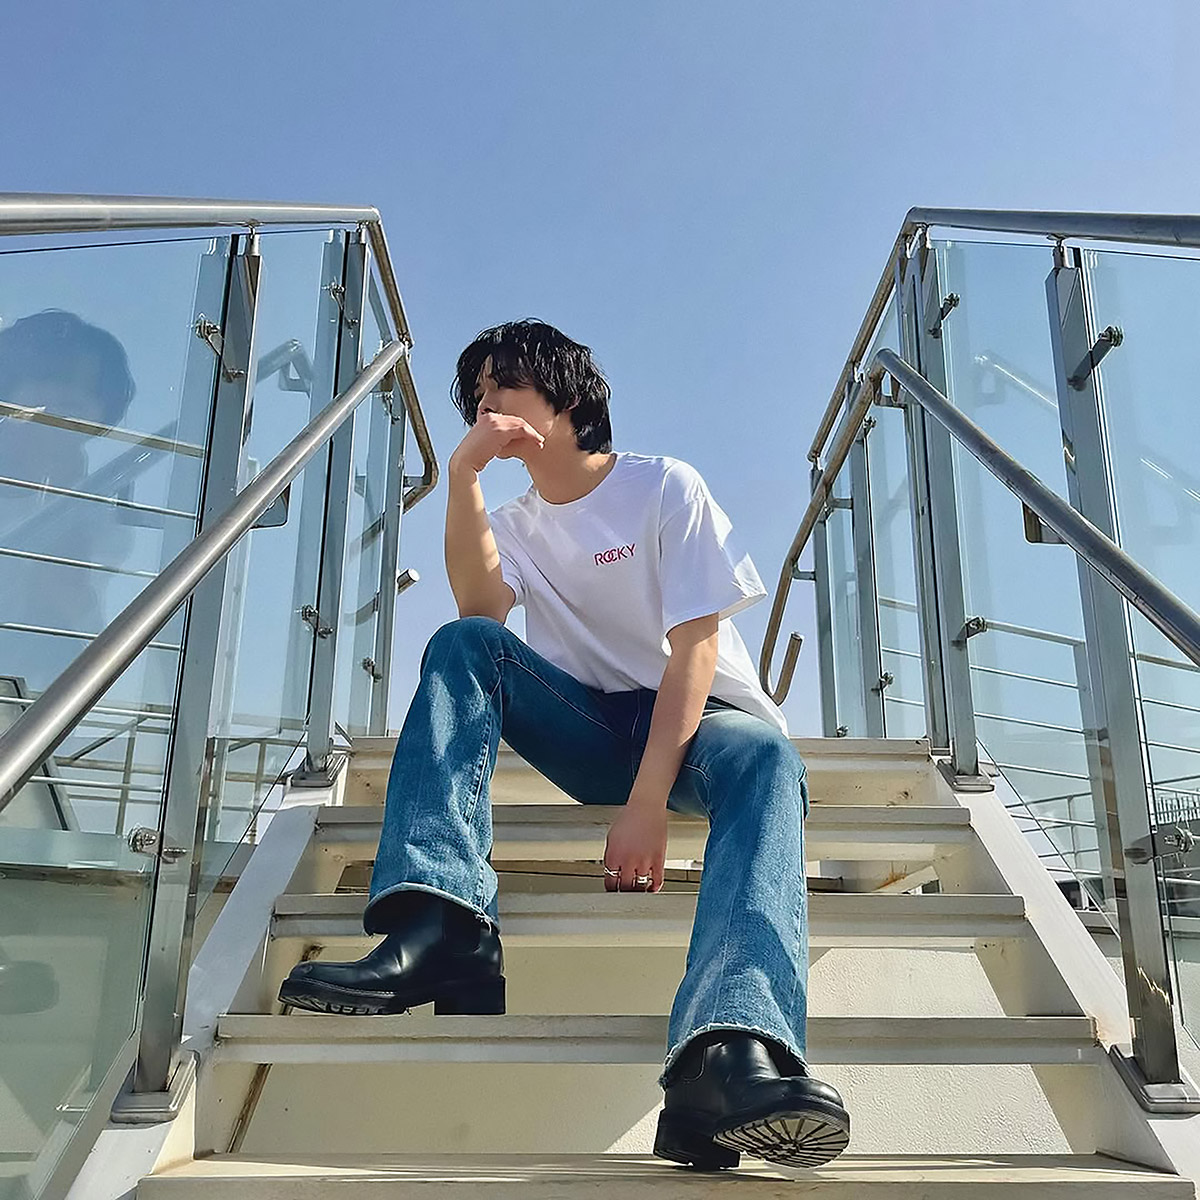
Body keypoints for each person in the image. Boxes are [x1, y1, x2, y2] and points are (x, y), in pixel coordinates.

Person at [279, 320, 851, 1171]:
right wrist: (463, 475)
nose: (486, 405)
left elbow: (695, 651)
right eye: (477, 396)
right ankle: (442, 922)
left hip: (703, 728)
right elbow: (482, 612)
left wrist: (647, 804)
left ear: (568, 397)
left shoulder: (663, 486)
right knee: (462, 645)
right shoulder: (511, 521)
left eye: (503, 385)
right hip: (588, 724)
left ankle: (727, 1052)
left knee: (772, 760)